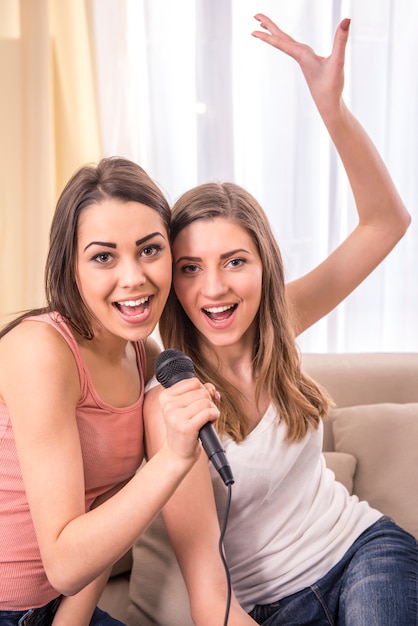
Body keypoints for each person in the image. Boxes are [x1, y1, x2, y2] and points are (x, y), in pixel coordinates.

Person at [143, 14, 416, 626]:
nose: (213, 288)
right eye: (190, 268)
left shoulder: (280, 317)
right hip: (271, 606)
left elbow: (386, 223)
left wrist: (332, 110)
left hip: (362, 551)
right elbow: (211, 599)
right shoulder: (170, 406)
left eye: (234, 262)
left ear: (263, 267)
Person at [0, 157, 220, 625]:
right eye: (104, 257)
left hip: (61, 608)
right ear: (71, 267)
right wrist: (172, 460)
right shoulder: (40, 350)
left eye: (149, 250)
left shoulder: (144, 356)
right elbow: (63, 562)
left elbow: (103, 507)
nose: (134, 277)